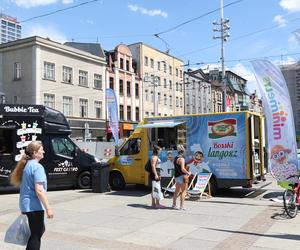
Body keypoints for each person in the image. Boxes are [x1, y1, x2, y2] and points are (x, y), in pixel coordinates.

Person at [10, 141, 54, 250]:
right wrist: (48, 208)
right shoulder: (37, 167)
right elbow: (39, 191)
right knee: (36, 235)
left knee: (37, 231)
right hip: (34, 206)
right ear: (35, 153)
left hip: (27, 205)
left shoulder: (28, 165)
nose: (43, 151)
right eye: (41, 150)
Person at [172, 144, 191, 211]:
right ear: (183, 150)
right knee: (183, 192)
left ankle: (174, 204)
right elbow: (183, 169)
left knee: (176, 191)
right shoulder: (182, 159)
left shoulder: (175, 158)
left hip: (177, 177)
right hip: (182, 177)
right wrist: (188, 173)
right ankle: (182, 206)